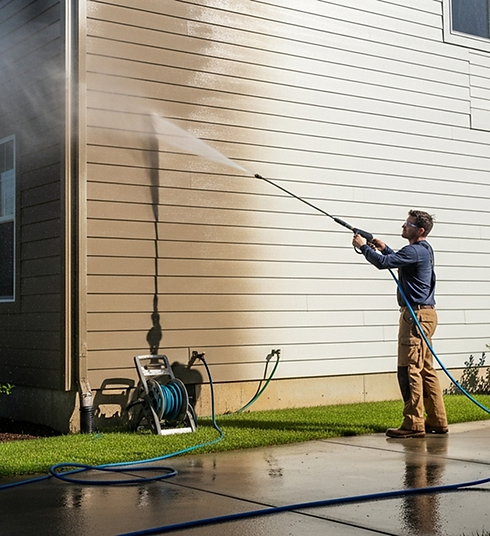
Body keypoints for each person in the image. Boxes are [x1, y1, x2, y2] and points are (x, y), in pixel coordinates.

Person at [352, 210, 448, 438]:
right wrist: (383, 247)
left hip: (414, 317)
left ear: (420, 230)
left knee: (409, 369)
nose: (404, 226)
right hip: (426, 316)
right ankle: (437, 420)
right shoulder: (424, 250)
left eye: (409, 224)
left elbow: (384, 264)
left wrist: (363, 247)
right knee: (425, 369)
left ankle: (413, 424)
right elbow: (395, 259)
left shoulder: (414, 250)